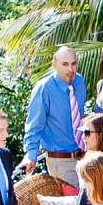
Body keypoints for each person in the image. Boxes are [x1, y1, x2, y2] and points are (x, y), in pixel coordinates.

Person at [24, 45, 89, 181]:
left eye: (73, 64)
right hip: (61, 162)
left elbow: (79, 115)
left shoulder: (79, 81)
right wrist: (31, 155)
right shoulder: (44, 89)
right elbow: (34, 126)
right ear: (54, 64)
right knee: (74, 202)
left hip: (85, 157)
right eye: (65, 64)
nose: (70, 69)